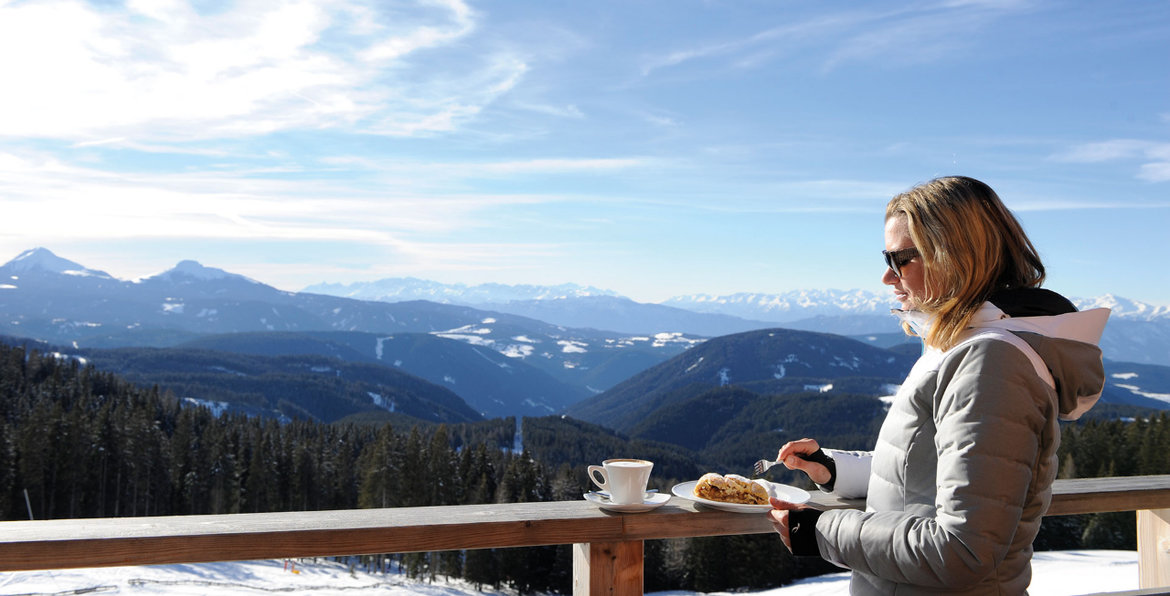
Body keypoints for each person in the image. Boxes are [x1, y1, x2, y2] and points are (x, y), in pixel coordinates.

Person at [768, 176, 1109, 594]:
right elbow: (928, 469)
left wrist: (819, 529)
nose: (886, 276)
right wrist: (833, 469)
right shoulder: (964, 346)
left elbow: (961, 551)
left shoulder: (992, 363)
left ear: (955, 257)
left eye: (900, 259)